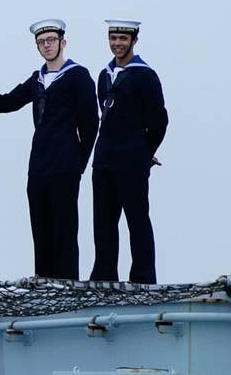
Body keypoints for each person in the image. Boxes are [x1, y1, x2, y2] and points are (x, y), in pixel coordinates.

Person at [0, 20, 98, 279]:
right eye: (41, 42)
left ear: (63, 42)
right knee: (40, 229)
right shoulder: (36, 79)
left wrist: (78, 163)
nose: (47, 45)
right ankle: (44, 289)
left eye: (51, 40)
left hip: (65, 164)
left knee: (65, 230)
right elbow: (4, 104)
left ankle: (68, 289)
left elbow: (90, 123)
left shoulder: (77, 75)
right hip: (39, 166)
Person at [87, 21, 168, 284]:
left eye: (122, 38)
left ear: (134, 40)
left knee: (137, 221)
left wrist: (144, 153)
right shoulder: (104, 75)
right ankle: (104, 275)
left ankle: (143, 278)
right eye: (113, 38)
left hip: (131, 161)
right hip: (104, 160)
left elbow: (159, 121)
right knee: (103, 223)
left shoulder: (145, 75)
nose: (117, 43)